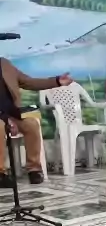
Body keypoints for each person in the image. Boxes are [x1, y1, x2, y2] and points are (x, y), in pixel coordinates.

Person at [0, 58, 72, 187]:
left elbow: (29, 82)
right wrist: (5, 119)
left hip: (13, 113)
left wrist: (57, 81)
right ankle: (1, 174)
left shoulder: (4, 64)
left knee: (31, 124)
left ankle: (34, 170)